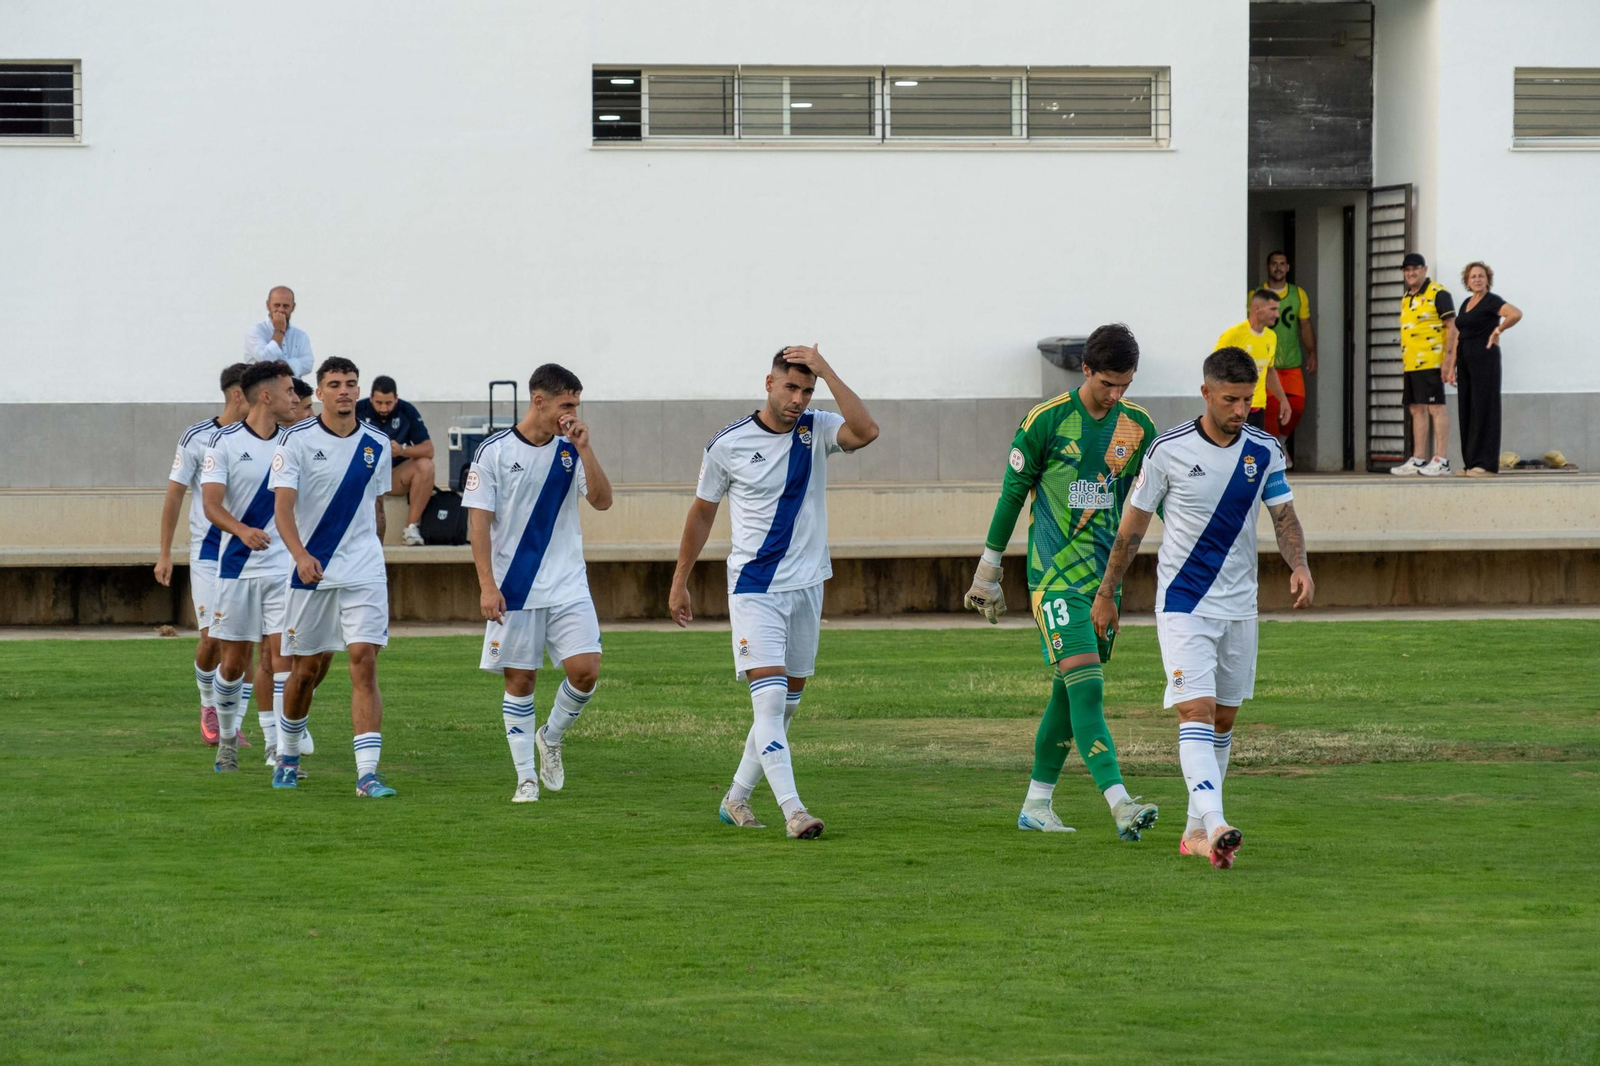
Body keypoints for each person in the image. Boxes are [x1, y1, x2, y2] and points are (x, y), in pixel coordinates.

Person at [1094, 347, 1314, 870]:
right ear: (1206, 393)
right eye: (1231, 399)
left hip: (1241, 607)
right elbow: (1132, 528)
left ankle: (1195, 834)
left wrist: (1299, 565)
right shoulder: (1167, 450)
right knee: (1196, 710)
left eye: (1248, 399)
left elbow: (1284, 517)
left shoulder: (1265, 449)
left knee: (1224, 719)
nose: (1241, 409)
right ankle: (1217, 822)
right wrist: (1107, 593)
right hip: (1184, 603)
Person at [668, 344, 879, 840]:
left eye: (807, 390)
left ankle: (736, 798)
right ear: (768, 383)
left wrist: (828, 370)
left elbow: (867, 431)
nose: (798, 399)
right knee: (768, 704)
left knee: (785, 708)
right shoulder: (728, 444)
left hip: (808, 588)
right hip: (755, 588)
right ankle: (794, 811)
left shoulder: (818, 428)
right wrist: (680, 579)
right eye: (791, 387)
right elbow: (702, 513)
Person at [962, 323, 1161, 840]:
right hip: (1051, 579)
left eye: (1126, 385)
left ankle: (1036, 804)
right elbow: (1011, 495)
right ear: (1085, 369)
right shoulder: (1046, 421)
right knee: (1088, 686)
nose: (1116, 395)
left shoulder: (1138, 428)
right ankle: (1120, 804)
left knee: (1067, 695)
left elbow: (1149, 502)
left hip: (1105, 583)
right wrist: (988, 570)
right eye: (1107, 384)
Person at [463, 364, 614, 803]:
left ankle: (551, 735)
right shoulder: (493, 451)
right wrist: (487, 586)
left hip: (568, 583)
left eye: (576, 405)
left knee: (586, 672)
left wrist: (586, 449)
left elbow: (603, 501)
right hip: (517, 585)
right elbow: (478, 523)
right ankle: (525, 777)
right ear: (539, 401)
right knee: (521, 680)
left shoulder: (570, 450)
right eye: (566, 405)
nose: (572, 414)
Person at [270, 356, 396, 796]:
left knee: (363, 660)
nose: (344, 390)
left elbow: (377, 509)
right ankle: (286, 753)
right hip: (313, 569)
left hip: (363, 570)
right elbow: (282, 507)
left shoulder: (377, 443)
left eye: (351, 383)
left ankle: (367, 774)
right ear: (319, 392)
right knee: (304, 672)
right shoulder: (295, 441)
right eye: (334, 383)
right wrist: (300, 555)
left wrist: (374, 553)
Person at [199, 361, 297, 773]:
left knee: (280, 658)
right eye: (289, 391)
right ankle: (226, 740)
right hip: (237, 568)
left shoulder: (295, 442)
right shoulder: (221, 443)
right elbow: (210, 504)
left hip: (281, 570)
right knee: (234, 662)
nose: (296, 399)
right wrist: (242, 531)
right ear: (266, 396)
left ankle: (276, 748)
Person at [156, 363, 250, 745]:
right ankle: (207, 703)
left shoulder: (266, 436)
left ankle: (232, 723)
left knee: (242, 642)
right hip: (209, 553)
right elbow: (175, 494)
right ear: (238, 394)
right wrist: (165, 553)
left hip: (250, 554)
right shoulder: (197, 436)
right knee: (212, 638)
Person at [1449, 261, 1523, 477]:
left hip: (1485, 358)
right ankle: (1471, 462)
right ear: (1467, 281)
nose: (1477, 279)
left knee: (1484, 408)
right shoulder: (1466, 303)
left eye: (1481, 276)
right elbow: (1459, 334)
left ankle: (1486, 464)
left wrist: (1498, 329)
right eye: (1473, 276)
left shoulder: (1492, 301)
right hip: (1465, 359)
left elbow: (1515, 314)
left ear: (1487, 279)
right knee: (1467, 409)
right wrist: (1452, 364)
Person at [1391, 253, 1457, 476]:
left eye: (1415, 268)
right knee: (1415, 408)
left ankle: (1441, 459)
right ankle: (1418, 458)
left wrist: (1449, 362)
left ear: (1424, 269)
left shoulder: (1438, 293)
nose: (1411, 273)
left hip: (1432, 361)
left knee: (1436, 407)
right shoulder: (1406, 297)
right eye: (1407, 269)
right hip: (1411, 363)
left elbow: (1452, 327)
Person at [357, 376, 436, 546]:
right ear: (371, 398)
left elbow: (429, 450)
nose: (383, 408)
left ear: (396, 399)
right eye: (379, 403)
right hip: (363, 476)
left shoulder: (407, 411)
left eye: (388, 403)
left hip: (394, 476)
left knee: (425, 465)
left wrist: (402, 450)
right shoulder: (358, 410)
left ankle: (411, 528)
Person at [1255, 252, 1318, 460]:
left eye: (1282, 264)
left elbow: (1305, 324)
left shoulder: (1298, 294)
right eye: (1274, 264)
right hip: (1265, 361)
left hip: (1291, 362)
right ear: (1268, 266)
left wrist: (1312, 353)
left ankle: (1281, 442)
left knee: (1297, 406)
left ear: (1288, 267)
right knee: (1271, 408)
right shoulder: (1256, 294)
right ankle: (1275, 451)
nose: (1278, 268)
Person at [1216, 292, 1291, 433]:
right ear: (1257, 308)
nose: (1277, 315)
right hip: (1234, 409)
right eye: (1273, 309)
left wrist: (1283, 400)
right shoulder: (1233, 335)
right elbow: (1214, 370)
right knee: (1230, 452)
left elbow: (1269, 370)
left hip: (1257, 408)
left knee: (1251, 454)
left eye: (1277, 310)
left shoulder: (1271, 337)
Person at [244, 286, 314, 378]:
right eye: (277, 305)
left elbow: (308, 364)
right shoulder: (256, 331)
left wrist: (281, 365)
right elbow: (265, 360)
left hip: (293, 389)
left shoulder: (300, 335)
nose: (281, 310)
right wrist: (279, 330)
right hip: (264, 388)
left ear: (293, 307)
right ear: (268, 305)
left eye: (286, 306)